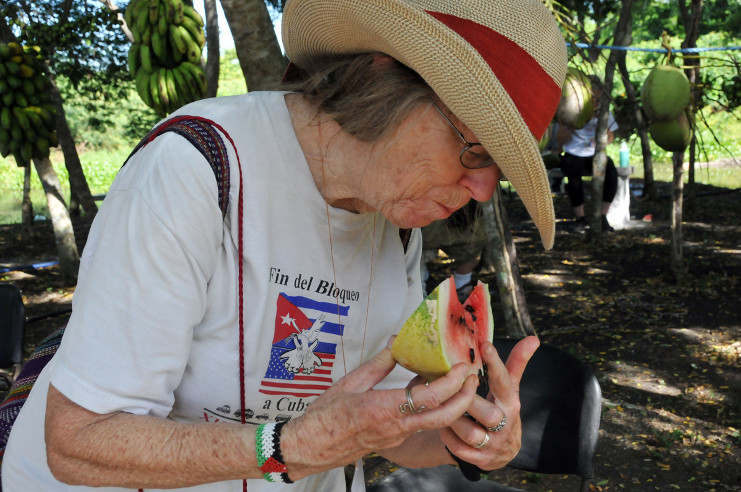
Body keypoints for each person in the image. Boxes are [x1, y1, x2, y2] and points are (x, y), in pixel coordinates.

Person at [1, 0, 567, 491]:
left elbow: (390, 428)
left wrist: (467, 440)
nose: (485, 188)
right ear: (383, 78)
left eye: (501, 170)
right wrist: (289, 448)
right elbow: (77, 441)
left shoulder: (395, 223)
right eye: (475, 150)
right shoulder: (197, 168)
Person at [555, 76, 619, 233]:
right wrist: (574, 124)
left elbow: (611, 138)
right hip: (573, 153)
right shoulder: (571, 110)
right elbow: (559, 141)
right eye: (593, 99)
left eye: (598, 100)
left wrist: (602, 126)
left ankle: (603, 217)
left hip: (593, 154)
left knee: (611, 172)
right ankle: (580, 218)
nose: (595, 103)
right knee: (573, 175)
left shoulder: (603, 112)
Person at [421, 201, 487, 301]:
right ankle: (422, 284)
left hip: (466, 225)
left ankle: (461, 285)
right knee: (416, 253)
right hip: (429, 223)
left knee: (471, 245)